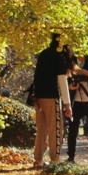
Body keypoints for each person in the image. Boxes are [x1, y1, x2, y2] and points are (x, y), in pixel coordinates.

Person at [33, 33, 72, 167]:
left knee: (41, 129)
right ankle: (55, 159)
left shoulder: (44, 54)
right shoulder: (59, 56)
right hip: (51, 96)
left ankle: (38, 160)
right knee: (56, 128)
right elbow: (62, 81)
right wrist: (67, 104)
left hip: (38, 97)